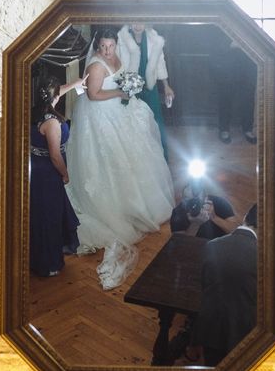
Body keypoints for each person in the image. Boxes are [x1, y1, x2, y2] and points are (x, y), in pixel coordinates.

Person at [66, 28, 175, 290]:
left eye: (110, 46)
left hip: (118, 110)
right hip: (100, 115)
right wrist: (119, 94)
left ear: (115, 44)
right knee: (111, 161)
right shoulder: (95, 66)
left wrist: (128, 88)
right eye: (102, 47)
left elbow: (122, 76)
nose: (106, 51)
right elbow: (93, 95)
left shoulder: (117, 56)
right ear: (98, 47)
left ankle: (140, 201)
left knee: (136, 156)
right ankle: (118, 207)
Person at [29, 75, 85, 277]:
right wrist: (65, 173)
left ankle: (37, 257)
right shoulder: (51, 122)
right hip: (48, 173)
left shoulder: (36, 110)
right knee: (49, 217)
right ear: (54, 96)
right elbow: (54, 155)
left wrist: (75, 84)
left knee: (41, 213)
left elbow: (55, 91)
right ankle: (48, 263)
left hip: (36, 168)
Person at [190, 203, 258, 366]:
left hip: (210, 327)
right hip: (245, 333)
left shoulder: (212, 245)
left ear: (246, 217)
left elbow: (205, 289)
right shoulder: (264, 257)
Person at [117, 23, 175, 160]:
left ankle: (160, 160)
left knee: (156, 124)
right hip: (129, 89)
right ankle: (136, 161)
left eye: (141, 20)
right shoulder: (121, 38)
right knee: (131, 125)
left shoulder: (154, 38)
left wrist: (166, 86)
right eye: (135, 21)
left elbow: (160, 62)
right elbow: (117, 65)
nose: (138, 25)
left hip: (150, 88)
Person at [213, 39, 257, 144]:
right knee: (225, 99)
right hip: (227, 65)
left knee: (248, 99)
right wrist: (229, 44)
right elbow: (214, 39)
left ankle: (248, 129)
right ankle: (224, 130)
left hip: (248, 65)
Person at [169, 183, 240, 240]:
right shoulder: (177, 212)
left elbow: (236, 232)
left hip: (220, 246)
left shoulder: (218, 202)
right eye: (188, 201)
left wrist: (214, 217)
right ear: (183, 199)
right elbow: (180, 245)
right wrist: (195, 224)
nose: (194, 204)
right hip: (195, 251)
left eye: (196, 200)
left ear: (206, 196)